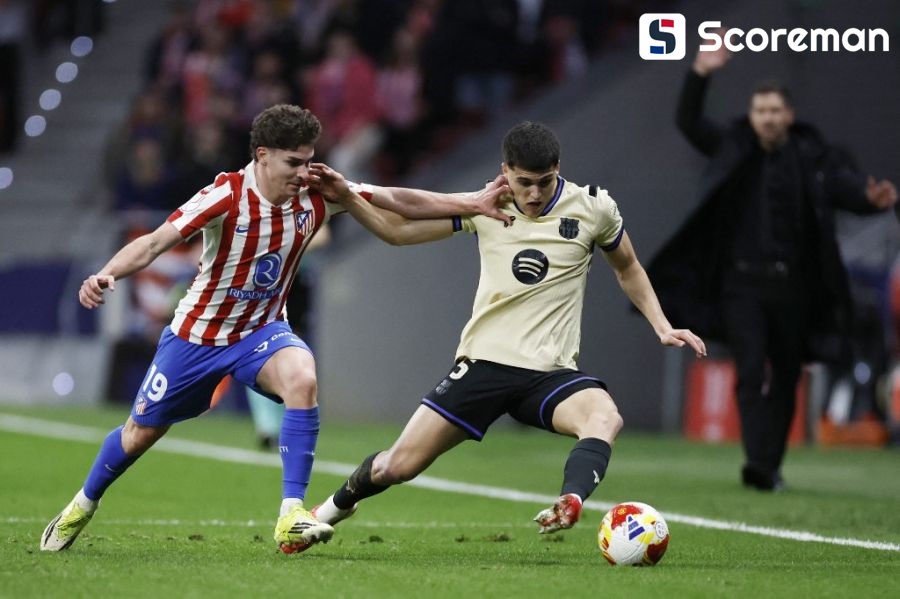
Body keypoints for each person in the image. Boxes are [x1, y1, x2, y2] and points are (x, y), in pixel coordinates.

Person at [40, 103, 511, 554]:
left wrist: (471, 201)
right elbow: (156, 241)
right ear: (262, 156)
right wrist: (108, 274)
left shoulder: (319, 192)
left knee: (302, 377)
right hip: (197, 336)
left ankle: (291, 512)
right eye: (293, 162)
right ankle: (82, 504)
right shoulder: (225, 195)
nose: (304, 172)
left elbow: (397, 201)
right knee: (138, 435)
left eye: (309, 160)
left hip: (260, 332)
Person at [302, 121, 706, 548]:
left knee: (605, 417)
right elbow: (399, 230)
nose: (533, 194)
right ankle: (329, 510)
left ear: (558, 169)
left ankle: (570, 500)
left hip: (550, 374)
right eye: (523, 182)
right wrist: (348, 196)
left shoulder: (593, 209)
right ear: (505, 171)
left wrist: (662, 325)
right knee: (396, 467)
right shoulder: (488, 205)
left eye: (544, 182)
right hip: (483, 365)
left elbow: (628, 268)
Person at [647, 40, 898, 491]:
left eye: (774, 110)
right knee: (748, 370)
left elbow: (845, 189)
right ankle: (758, 462)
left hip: (795, 287)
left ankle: (769, 464)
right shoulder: (732, 146)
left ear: (788, 115)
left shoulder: (811, 156)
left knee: (785, 375)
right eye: (760, 109)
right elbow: (687, 121)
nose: (767, 117)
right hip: (740, 285)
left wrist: (869, 199)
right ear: (752, 114)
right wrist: (699, 74)